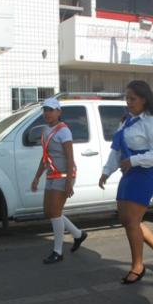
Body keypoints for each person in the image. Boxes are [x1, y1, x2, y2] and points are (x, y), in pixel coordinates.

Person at [98, 80, 153, 284]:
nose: (128, 102)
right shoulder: (126, 121)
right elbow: (117, 151)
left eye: (133, 98)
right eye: (127, 98)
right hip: (129, 171)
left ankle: (138, 266)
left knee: (131, 221)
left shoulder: (152, 122)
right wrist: (106, 172)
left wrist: (134, 160)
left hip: (147, 172)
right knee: (127, 220)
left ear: (144, 99)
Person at [31, 98, 88, 264]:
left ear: (58, 112)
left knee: (55, 213)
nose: (47, 113)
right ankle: (78, 234)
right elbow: (45, 158)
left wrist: (69, 181)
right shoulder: (46, 130)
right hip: (52, 175)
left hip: (64, 176)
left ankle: (58, 251)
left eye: (51, 110)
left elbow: (70, 158)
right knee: (49, 212)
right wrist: (36, 177)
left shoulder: (64, 131)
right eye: (45, 110)